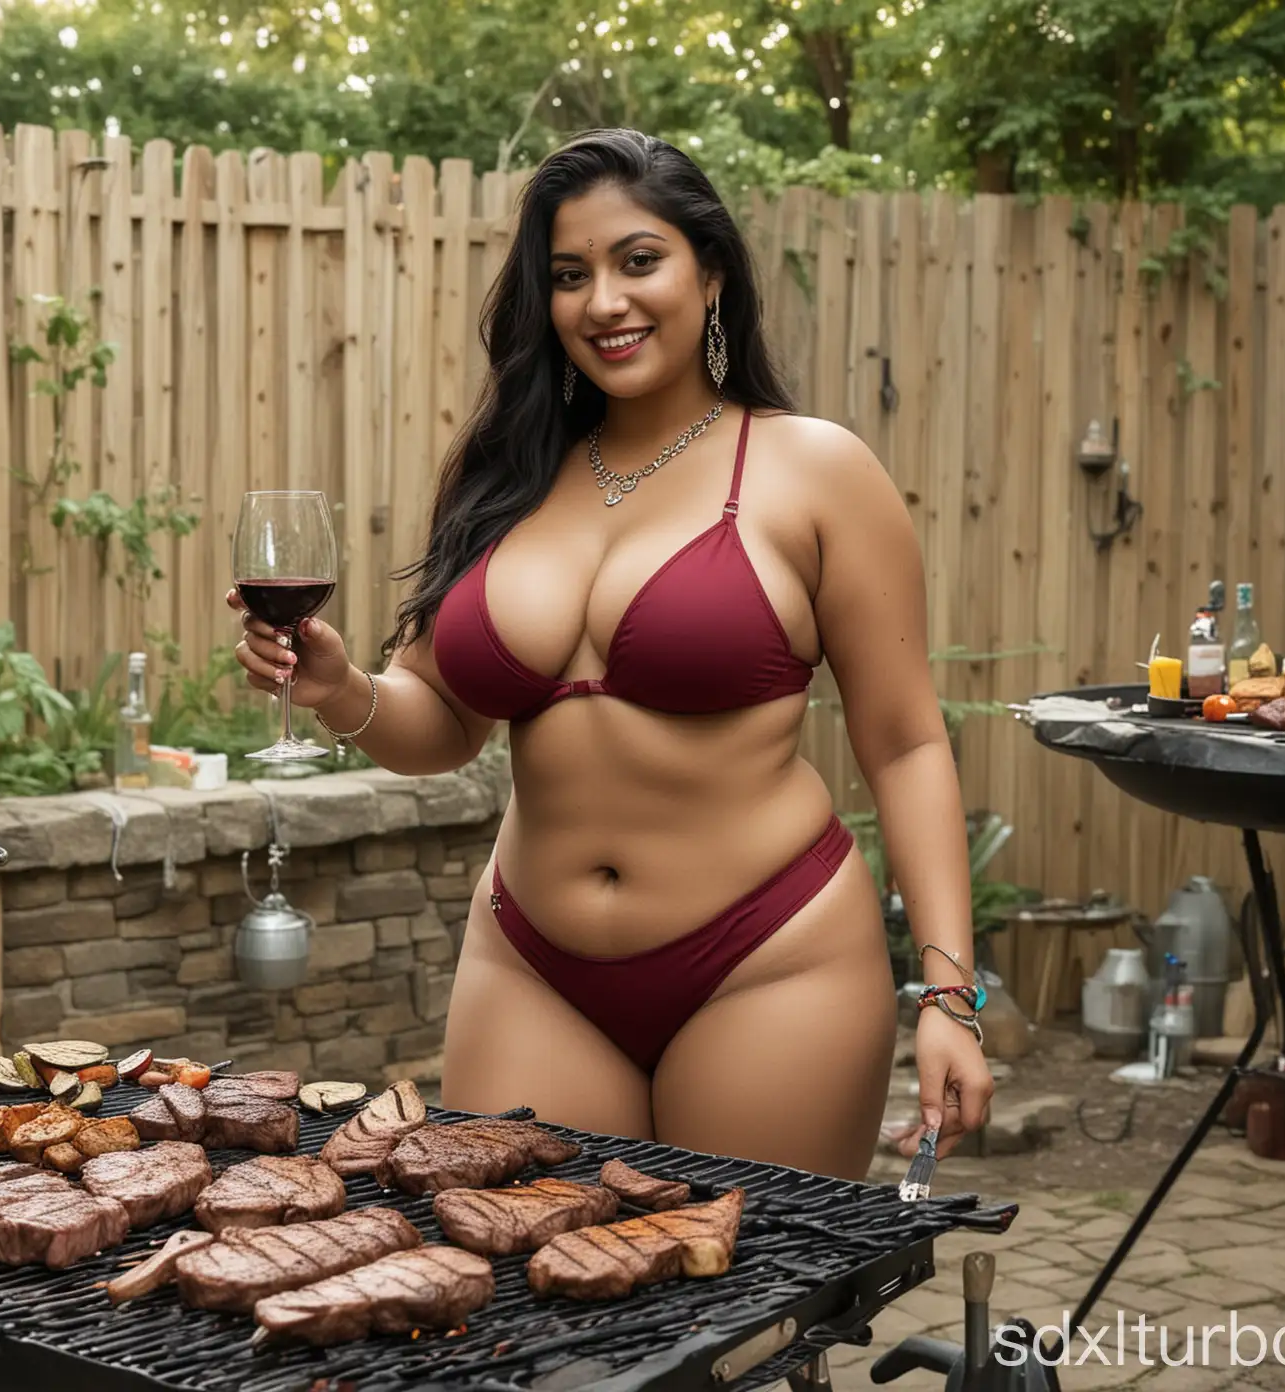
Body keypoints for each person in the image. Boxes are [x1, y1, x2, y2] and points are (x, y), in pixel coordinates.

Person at [226, 128, 990, 1178]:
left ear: (710, 271)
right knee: (518, 1306)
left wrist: (951, 996)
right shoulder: (508, 477)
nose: (605, 302)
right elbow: (441, 725)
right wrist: (340, 687)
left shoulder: (812, 471)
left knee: (744, 1318)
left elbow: (905, 744)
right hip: (531, 966)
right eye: (571, 276)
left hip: (770, 961)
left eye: (639, 261)